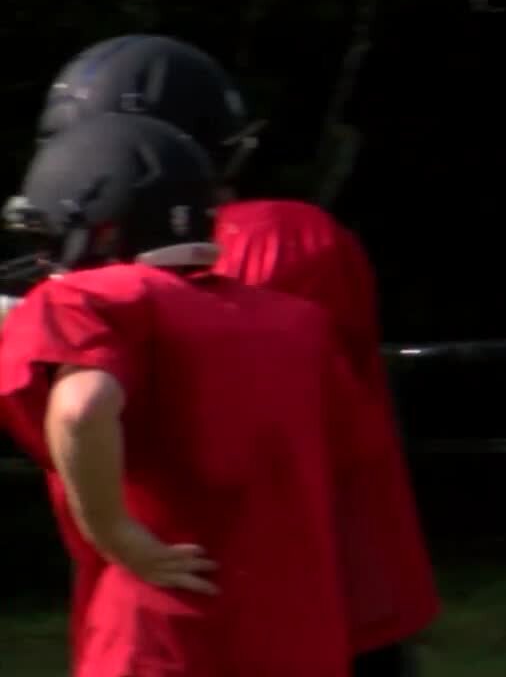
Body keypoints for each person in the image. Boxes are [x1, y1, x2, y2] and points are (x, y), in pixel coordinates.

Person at [33, 33, 440, 676]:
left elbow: (216, 390)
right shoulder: (112, 287)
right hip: (205, 592)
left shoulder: (273, 240)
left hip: (297, 592)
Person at [0, 112, 353, 675]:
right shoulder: (296, 322)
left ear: (99, 223)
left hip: (164, 626)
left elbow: (81, 407)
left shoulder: (97, 300)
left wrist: (113, 530)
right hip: (294, 628)